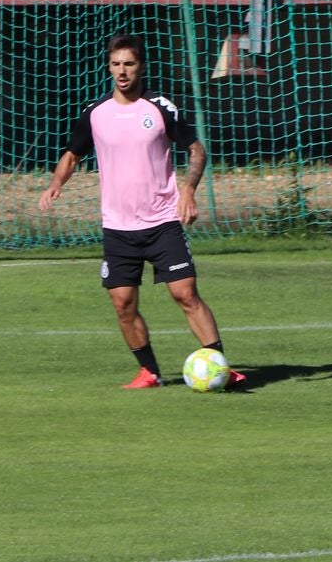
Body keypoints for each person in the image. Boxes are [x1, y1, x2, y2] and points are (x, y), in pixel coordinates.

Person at [38, 33, 245, 389]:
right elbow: (72, 154)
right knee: (123, 304)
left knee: (185, 294)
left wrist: (188, 191)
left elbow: (197, 151)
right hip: (118, 227)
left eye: (129, 64)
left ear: (141, 67)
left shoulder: (161, 108)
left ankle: (221, 365)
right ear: (109, 67)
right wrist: (57, 183)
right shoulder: (96, 113)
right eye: (116, 64)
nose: (122, 72)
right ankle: (149, 372)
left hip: (163, 221)